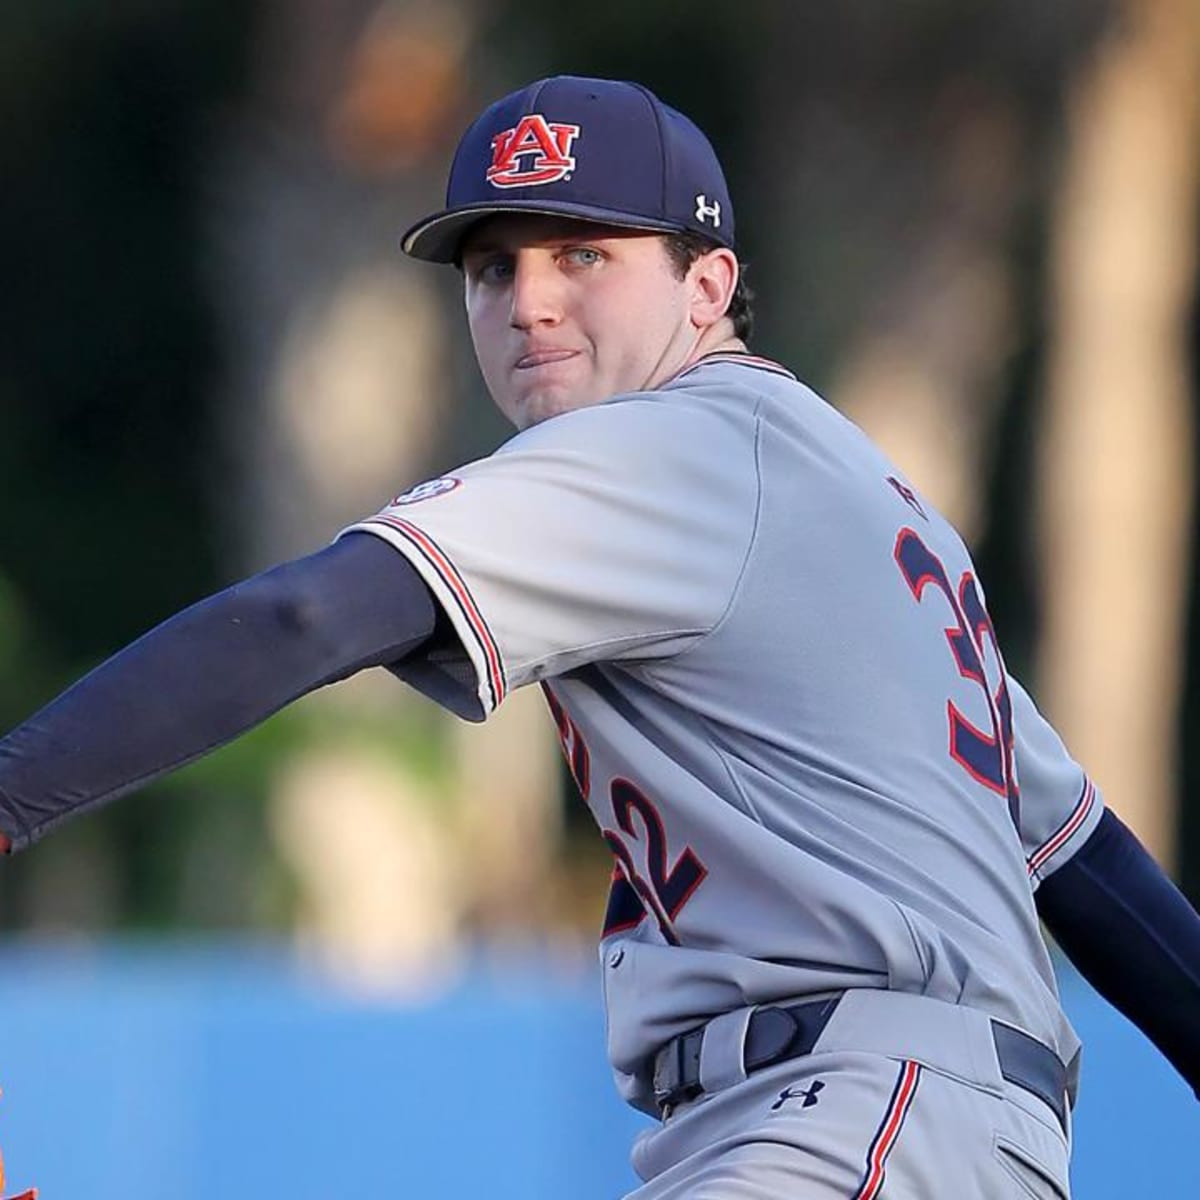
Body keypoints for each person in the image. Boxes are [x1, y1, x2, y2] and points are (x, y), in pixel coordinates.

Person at [0, 74, 1196, 1198]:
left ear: (708, 284)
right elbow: (1094, 874)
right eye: (491, 267)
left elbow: (306, 614)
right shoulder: (859, 499)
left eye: (585, 252)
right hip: (901, 1125)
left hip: (857, 1116)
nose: (529, 301)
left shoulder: (676, 445)